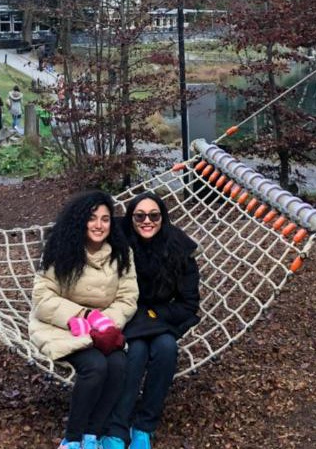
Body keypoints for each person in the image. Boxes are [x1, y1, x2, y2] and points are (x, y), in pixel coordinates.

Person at [30, 190, 139, 449]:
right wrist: (83, 316)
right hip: (60, 326)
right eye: (92, 218)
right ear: (80, 221)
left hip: (103, 329)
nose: (99, 225)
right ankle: (73, 438)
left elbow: (127, 297)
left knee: (118, 365)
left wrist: (104, 322)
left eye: (105, 219)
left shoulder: (122, 254)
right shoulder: (61, 251)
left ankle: (93, 435)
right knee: (95, 368)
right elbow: (42, 297)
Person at [101, 192, 200, 449]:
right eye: (140, 216)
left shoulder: (178, 249)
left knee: (167, 349)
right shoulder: (119, 241)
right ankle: (116, 429)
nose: (147, 221)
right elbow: (88, 227)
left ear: (163, 218)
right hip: (127, 313)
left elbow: (189, 304)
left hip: (162, 317)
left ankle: (144, 426)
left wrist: (156, 315)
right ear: (131, 218)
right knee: (135, 352)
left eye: (154, 215)